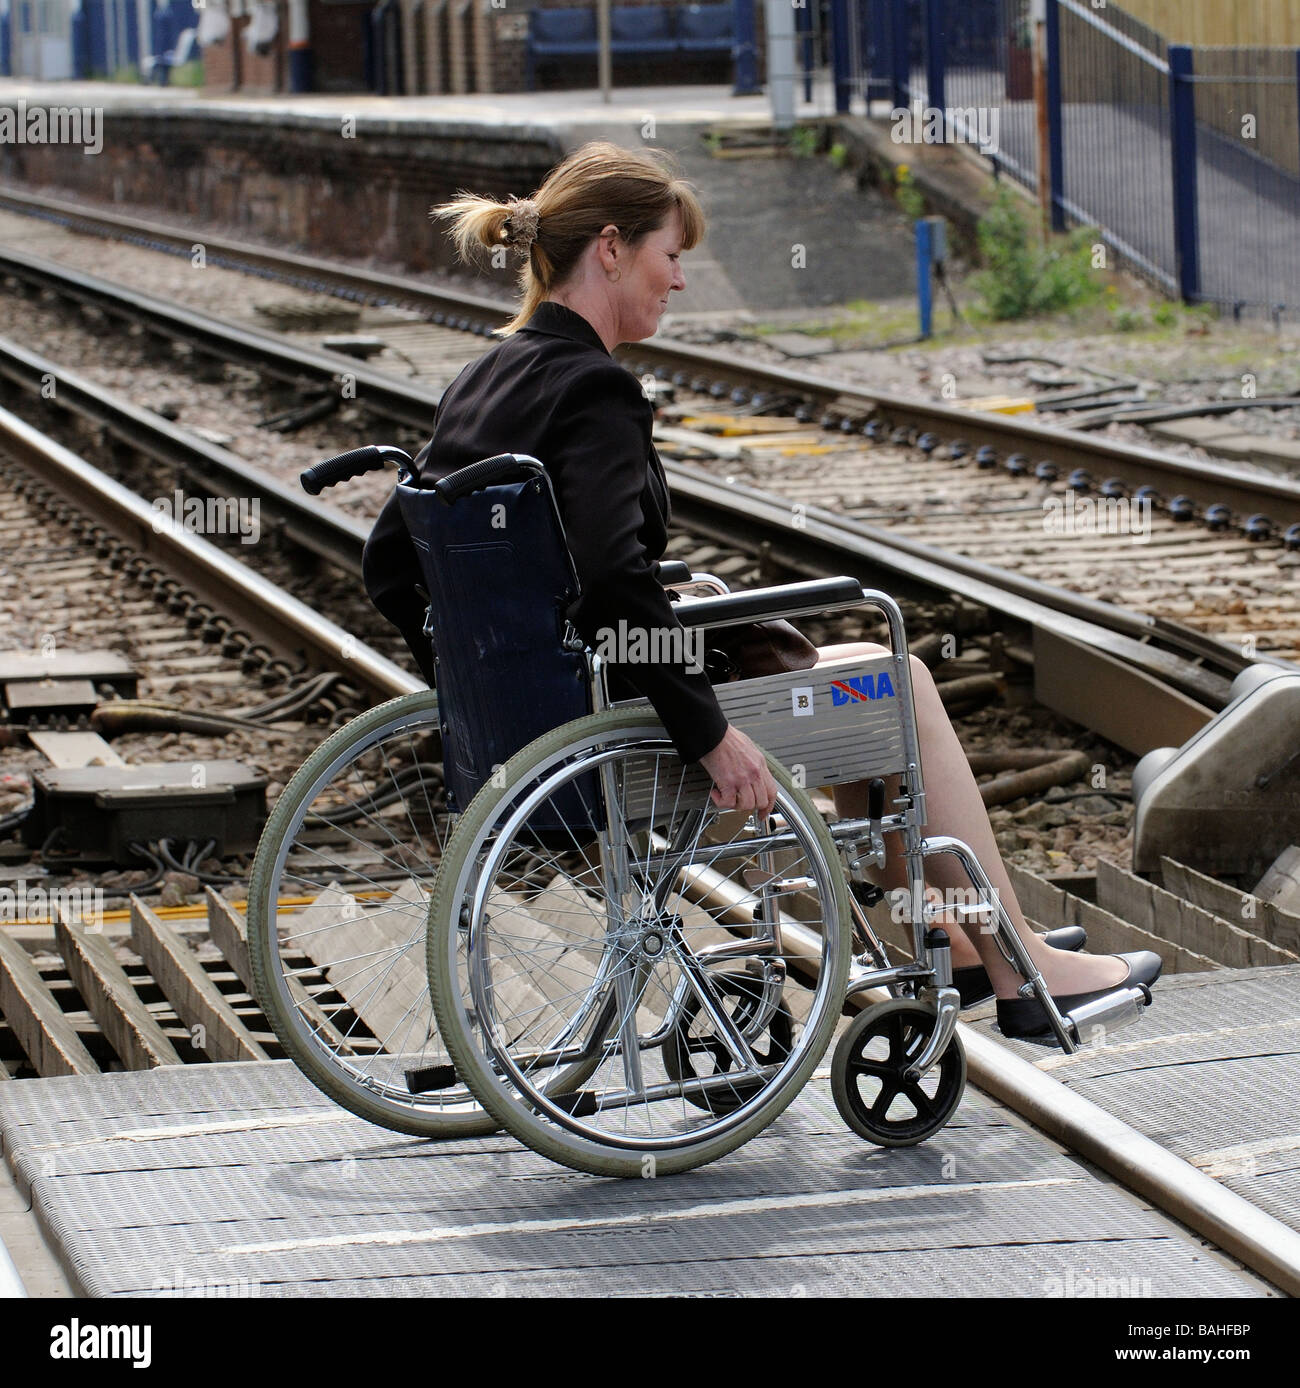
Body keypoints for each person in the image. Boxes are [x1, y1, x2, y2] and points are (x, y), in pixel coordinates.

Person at [362, 141, 1159, 1041]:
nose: (680, 282)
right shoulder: (595, 390)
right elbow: (616, 586)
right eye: (673, 256)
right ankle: (1023, 972)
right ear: (613, 248)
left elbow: (389, 565)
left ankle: (969, 941)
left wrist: (478, 685)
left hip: (549, 713)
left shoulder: (485, 377)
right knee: (899, 683)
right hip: (627, 715)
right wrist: (709, 732)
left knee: (864, 695)